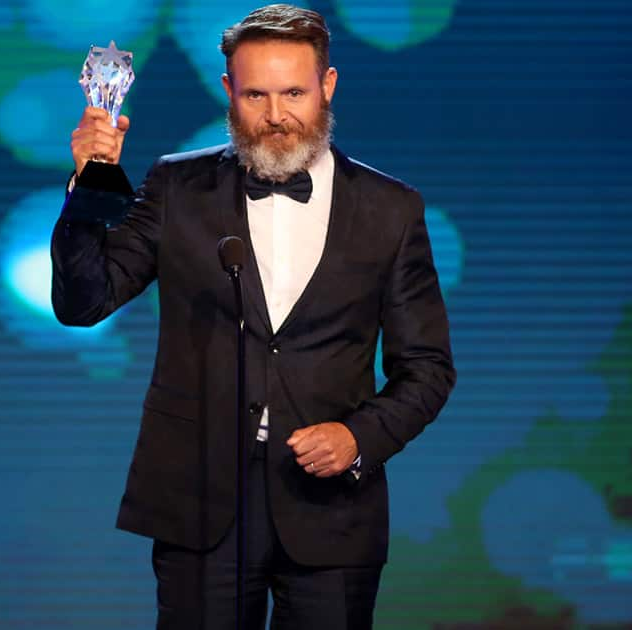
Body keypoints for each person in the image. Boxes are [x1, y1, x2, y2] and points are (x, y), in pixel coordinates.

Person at [52, 5, 455, 628]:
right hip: (200, 498)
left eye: (294, 92)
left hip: (331, 510)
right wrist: (88, 186)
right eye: (256, 95)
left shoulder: (391, 208)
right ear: (227, 93)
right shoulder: (176, 186)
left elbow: (427, 368)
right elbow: (83, 303)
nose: (275, 117)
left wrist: (358, 440)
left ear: (327, 86)